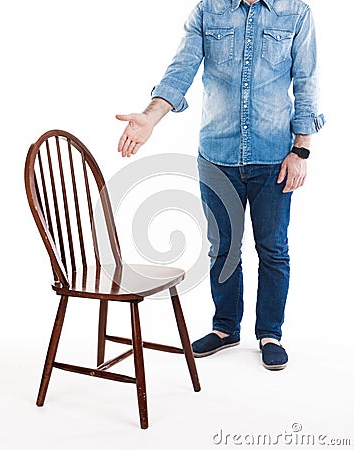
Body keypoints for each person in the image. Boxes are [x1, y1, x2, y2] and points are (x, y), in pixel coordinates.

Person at [116, 0, 325, 370]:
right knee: (222, 249)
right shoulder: (207, 10)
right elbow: (180, 71)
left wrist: (301, 150)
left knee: (273, 248)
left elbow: (306, 83)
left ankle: (270, 334)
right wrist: (150, 118)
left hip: (274, 157)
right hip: (217, 154)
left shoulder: (296, 12)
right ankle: (226, 328)